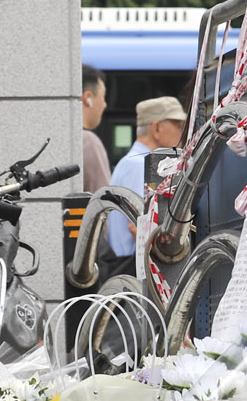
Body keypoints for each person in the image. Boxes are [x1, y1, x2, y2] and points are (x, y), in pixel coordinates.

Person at [103, 96, 188, 273]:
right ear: (157, 128)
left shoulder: (130, 161)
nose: (183, 132)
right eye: (178, 125)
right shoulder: (141, 165)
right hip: (133, 270)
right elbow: (138, 227)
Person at [80, 66, 110, 192]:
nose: (104, 104)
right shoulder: (88, 141)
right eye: (103, 97)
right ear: (88, 98)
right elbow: (103, 202)